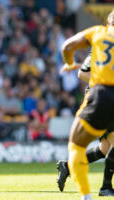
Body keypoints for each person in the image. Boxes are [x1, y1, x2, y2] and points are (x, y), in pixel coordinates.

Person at [59, 9, 114, 200]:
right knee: (109, 146)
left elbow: (68, 48)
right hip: (102, 93)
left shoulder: (98, 33)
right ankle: (106, 187)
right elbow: (83, 73)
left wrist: (69, 62)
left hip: (101, 95)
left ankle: (86, 191)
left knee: (89, 147)